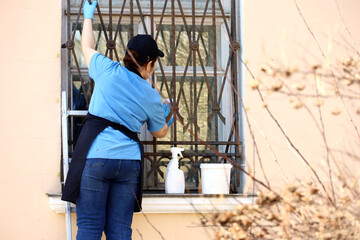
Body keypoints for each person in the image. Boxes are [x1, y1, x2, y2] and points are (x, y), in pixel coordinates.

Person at [61, 1, 174, 239]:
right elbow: (159, 133)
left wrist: (88, 17)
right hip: (128, 162)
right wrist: (165, 117)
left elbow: (87, 47)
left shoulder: (106, 69)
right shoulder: (151, 96)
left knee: (90, 227)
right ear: (149, 64)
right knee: (120, 230)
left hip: (97, 157)